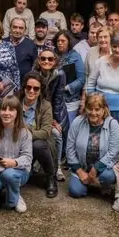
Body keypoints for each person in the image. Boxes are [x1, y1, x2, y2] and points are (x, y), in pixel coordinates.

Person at [66, 94, 119, 212]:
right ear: (85, 109)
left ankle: (103, 184)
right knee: (75, 191)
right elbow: (70, 148)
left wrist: (96, 168)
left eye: (97, 109)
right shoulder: (77, 122)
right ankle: (88, 182)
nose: (93, 113)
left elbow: (114, 150)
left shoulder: (112, 124)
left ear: (104, 109)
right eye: (90, 108)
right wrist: (79, 171)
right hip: (83, 167)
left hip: (103, 168)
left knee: (107, 177)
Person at [19, 72, 59, 198]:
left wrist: (26, 132)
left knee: (38, 145)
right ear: (24, 87)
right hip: (17, 142)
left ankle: (51, 178)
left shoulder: (46, 105)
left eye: (36, 88)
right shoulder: (15, 102)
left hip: (38, 141)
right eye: (28, 87)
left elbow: (46, 131)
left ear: (41, 90)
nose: (31, 91)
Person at [86, 33, 119, 125]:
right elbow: (90, 84)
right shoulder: (101, 62)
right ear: (111, 47)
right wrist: (93, 105)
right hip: (98, 110)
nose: (117, 50)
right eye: (114, 46)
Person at [33, 47, 70, 179]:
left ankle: (57, 166)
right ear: (39, 60)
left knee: (57, 134)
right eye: (43, 58)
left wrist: (54, 120)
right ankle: (39, 160)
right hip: (37, 111)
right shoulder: (34, 73)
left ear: (55, 61)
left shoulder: (59, 74)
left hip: (55, 110)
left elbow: (58, 98)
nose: (46, 61)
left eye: (50, 59)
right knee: (38, 134)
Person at [55, 30, 86, 126]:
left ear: (69, 42)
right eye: (58, 41)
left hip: (70, 100)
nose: (60, 43)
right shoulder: (51, 55)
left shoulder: (75, 56)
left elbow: (81, 79)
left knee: (69, 128)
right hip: (55, 100)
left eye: (63, 41)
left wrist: (66, 87)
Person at [8, 17, 38, 83]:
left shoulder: (31, 45)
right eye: (15, 27)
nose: (17, 30)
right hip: (3, 86)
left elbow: (35, 67)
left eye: (21, 28)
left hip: (24, 85)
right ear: (10, 28)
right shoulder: (3, 43)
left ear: (25, 30)